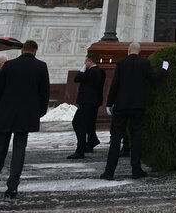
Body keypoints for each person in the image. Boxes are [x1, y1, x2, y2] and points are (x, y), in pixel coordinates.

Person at [0, 40, 50, 198]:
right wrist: (40, 112)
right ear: (35, 50)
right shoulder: (41, 66)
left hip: (5, 113)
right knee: (19, 149)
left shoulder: (9, 65)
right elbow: (44, 93)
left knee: (0, 147)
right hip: (26, 115)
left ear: (22, 50)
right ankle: (13, 186)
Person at [100, 42, 170, 180]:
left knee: (116, 138)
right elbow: (153, 78)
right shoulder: (145, 63)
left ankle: (109, 172)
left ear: (128, 50)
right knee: (136, 137)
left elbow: (115, 84)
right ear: (139, 51)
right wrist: (164, 69)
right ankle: (136, 170)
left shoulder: (121, 63)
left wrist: (109, 103)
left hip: (121, 106)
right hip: (138, 106)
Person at [68, 53, 106, 159]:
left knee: (78, 123)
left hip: (86, 102)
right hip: (95, 102)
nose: (85, 63)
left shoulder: (90, 72)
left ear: (90, 61)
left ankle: (80, 150)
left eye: (86, 61)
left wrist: (83, 68)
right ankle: (91, 142)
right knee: (89, 123)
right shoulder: (100, 72)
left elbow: (77, 78)